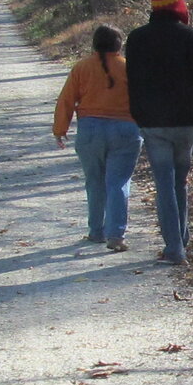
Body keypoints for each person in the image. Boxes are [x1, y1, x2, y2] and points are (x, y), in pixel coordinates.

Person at [119, 0, 193, 263]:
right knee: (180, 180)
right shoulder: (190, 36)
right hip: (185, 118)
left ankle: (175, 246)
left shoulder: (136, 38)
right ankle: (180, 238)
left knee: (164, 181)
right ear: (178, 3)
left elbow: (131, 79)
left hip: (152, 120)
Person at [52, 24, 142, 251]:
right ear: (119, 45)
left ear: (94, 44)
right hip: (125, 129)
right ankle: (116, 235)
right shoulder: (130, 68)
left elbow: (66, 100)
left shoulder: (81, 68)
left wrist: (60, 129)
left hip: (90, 130)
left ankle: (96, 231)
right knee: (118, 182)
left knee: (94, 181)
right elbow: (144, 100)